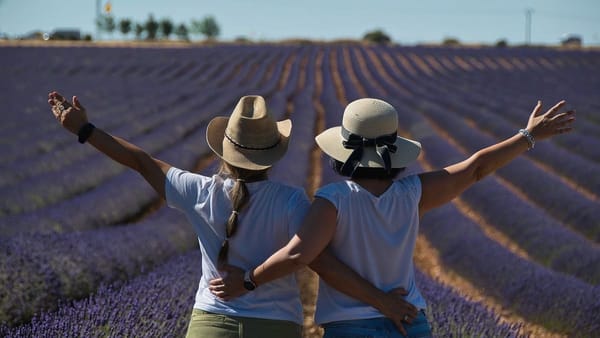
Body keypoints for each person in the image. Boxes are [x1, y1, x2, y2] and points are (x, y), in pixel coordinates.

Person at [47, 92, 417, 337]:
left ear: (223, 151)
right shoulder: (292, 201)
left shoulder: (198, 191)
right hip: (276, 327)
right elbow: (315, 258)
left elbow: (141, 161)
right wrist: (380, 297)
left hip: (212, 323)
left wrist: (84, 129)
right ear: (274, 152)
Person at [209, 97, 575, 337]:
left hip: (350, 327)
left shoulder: (332, 200)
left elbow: (300, 255)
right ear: (394, 152)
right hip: (410, 322)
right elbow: (476, 168)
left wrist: (249, 281)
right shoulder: (412, 193)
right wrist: (528, 136)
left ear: (342, 150)